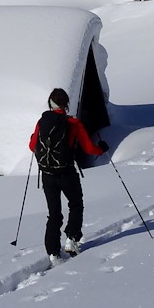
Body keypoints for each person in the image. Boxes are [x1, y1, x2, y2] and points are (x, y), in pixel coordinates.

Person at [29, 87, 107, 264]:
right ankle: (71, 239)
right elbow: (89, 148)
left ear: (50, 103)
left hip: (47, 175)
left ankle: (53, 252)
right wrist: (101, 149)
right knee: (76, 204)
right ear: (66, 104)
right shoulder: (73, 123)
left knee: (54, 213)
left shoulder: (42, 122)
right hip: (67, 173)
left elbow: (32, 146)